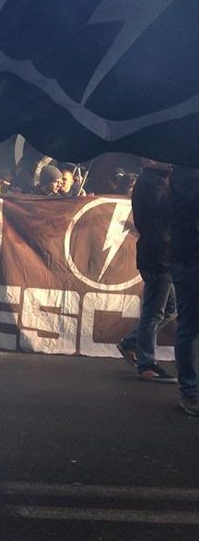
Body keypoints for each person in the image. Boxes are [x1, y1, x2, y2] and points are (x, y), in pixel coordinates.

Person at [116, 160, 176, 382]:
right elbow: (168, 209)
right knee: (155, 312)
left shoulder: (153, 182)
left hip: (160, 253)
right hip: (159, 255)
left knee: (169, 308)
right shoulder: (152, 184)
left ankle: (131, 342)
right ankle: (146, 363)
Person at [168, 165, 199, 415]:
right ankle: (190, 391)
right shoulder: (185, 175)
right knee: (189, 327)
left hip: (188, 259)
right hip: (190, 261)